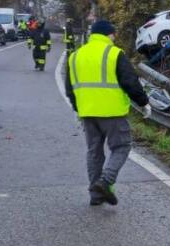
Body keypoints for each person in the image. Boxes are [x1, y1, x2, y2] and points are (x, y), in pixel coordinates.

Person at [63, 20, 150, 206]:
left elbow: (69, 89)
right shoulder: (114, 54)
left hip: (87, 112)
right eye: (113, 34)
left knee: (94, 152)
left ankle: (96, 195)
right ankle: (106, 181)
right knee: (121, 147)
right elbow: (130, 82)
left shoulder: (75, 56)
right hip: (112, 112)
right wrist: (144, 103)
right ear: (108, 34)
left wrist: (79, 108)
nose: (114, 37)